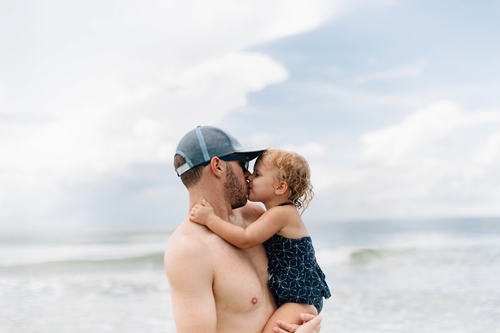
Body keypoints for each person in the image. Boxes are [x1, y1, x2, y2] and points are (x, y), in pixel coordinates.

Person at [164, 126, 322, 333]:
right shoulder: (189, 250)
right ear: (217, 166)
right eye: (243, 164)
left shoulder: (256, 216)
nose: (248, 174)